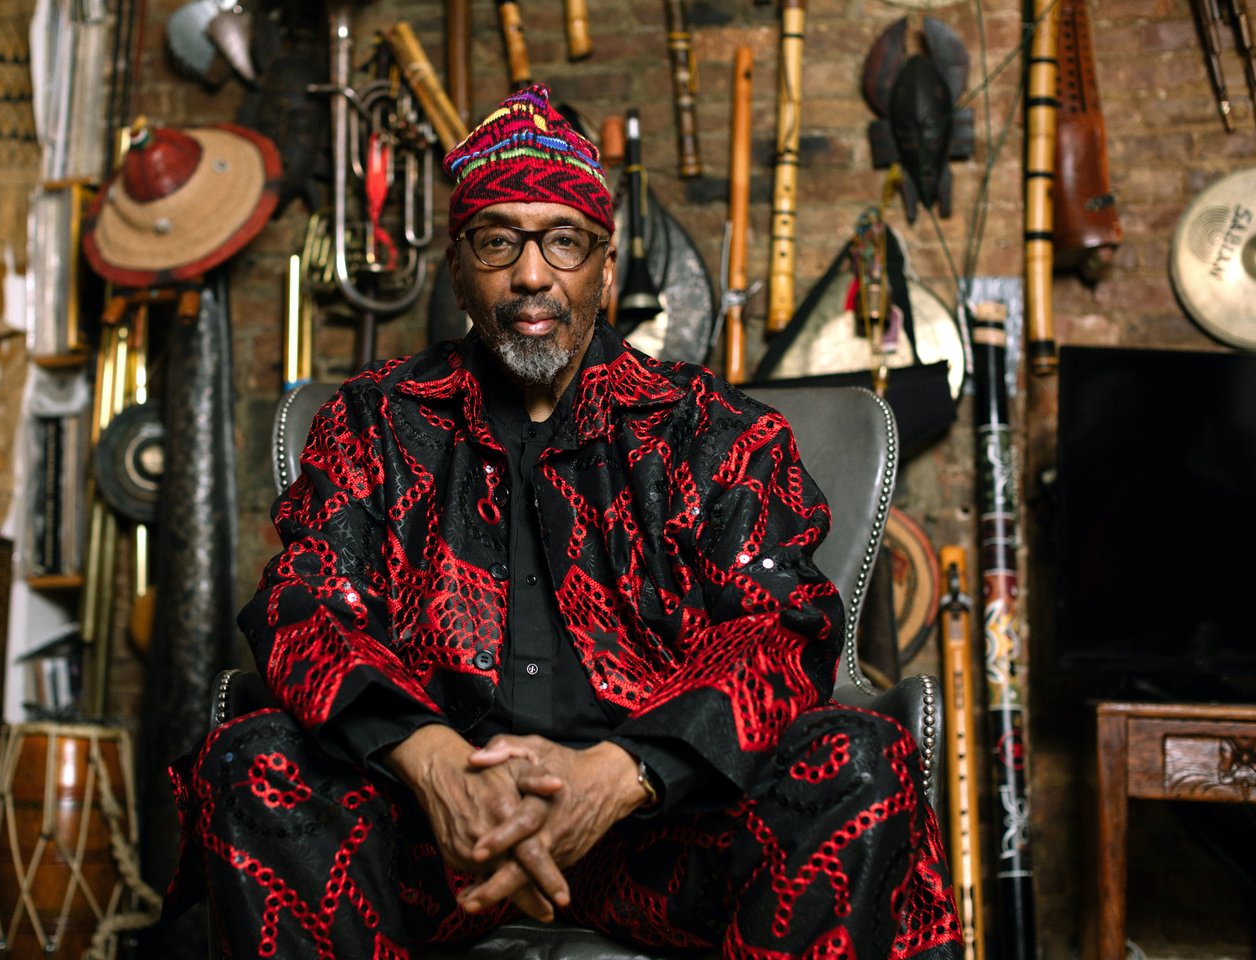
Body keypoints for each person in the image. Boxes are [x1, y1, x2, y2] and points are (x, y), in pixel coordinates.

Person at [169, 83, 961, 960]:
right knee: (253, 759)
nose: (532, 274)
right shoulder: (373, 424)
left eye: (564, 240)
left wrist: (622, 775)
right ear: (458, 267)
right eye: (497, 240)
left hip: (658, 834)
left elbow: (781, 630)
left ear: (605, 268)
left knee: (857, 757)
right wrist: (431, 761)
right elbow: (304, 612)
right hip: (431, 838)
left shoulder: (711, 432)